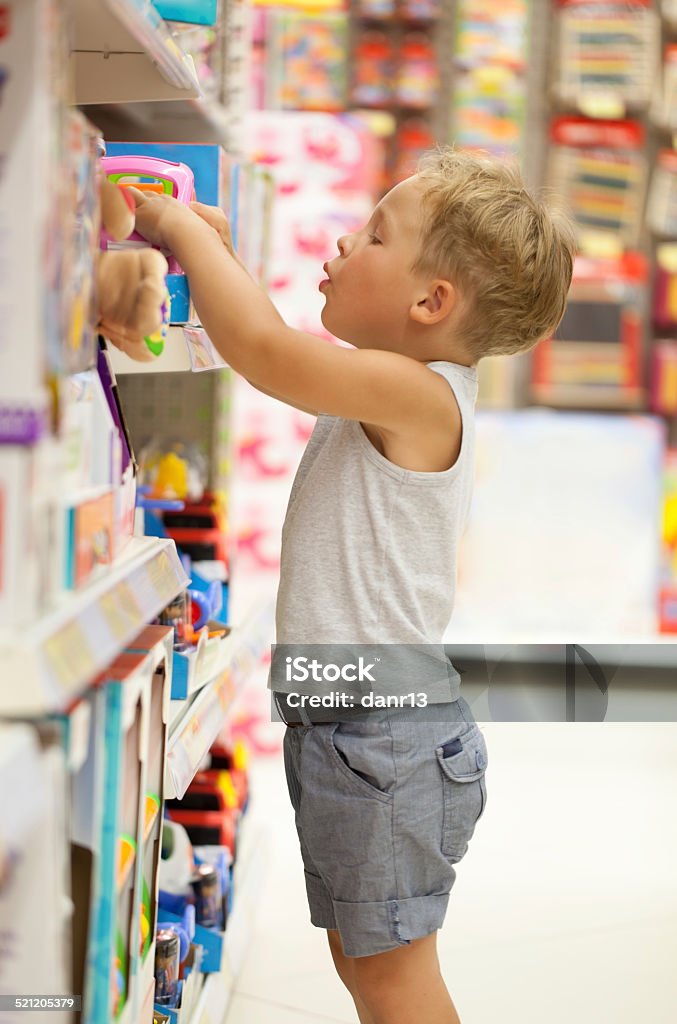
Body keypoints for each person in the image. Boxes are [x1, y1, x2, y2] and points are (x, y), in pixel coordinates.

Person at [131, 148, 576, 1024]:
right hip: (358, 735)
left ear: (429, 302)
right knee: (364, 963)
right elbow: (265, 336)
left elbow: (263, 349)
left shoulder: (414, 393)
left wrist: (178, 226)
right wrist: (215, 259)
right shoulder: (395, 383)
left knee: (391, 979)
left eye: (374, 234)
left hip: (384, 743)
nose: (342, 240)